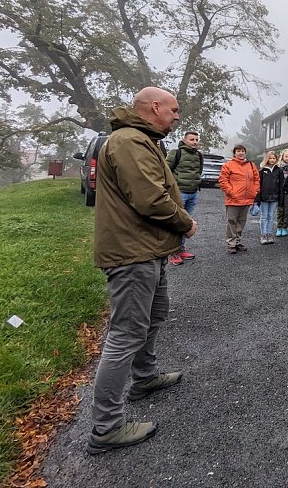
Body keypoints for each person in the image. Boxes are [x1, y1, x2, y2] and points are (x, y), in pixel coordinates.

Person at [88, 86, 196, 454]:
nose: (177, 116)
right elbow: (150, 198)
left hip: (147, 249)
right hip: (133, 253)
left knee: (154, 316)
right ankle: (106, 427)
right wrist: (185, 223)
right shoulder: (129, 142)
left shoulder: (140, 139)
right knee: (125, 334)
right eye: (174, 109)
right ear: (155, 107)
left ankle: (145, 378)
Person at [166, 130, 203, 265]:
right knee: (176, 222)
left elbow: (198, 171)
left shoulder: (199, 155)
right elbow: (166, 171)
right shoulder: (176, 153)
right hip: (179, 193)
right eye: (192, 139)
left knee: (186, 223)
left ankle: (181, 250)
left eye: (196, 140)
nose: (194, 142)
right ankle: (173, 253)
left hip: (193, 193)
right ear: (185, 140)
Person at [219, 145, 260, 254]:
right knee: (232, 221)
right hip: (233, 199)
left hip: (246, 200)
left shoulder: (251, 165)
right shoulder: (228, 165)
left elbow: (256, 179)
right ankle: (231, 244)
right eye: (238, 151)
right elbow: (223, 181)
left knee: (241, 222)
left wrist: (255, 191)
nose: (241, 153)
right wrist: (232, 192)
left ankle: (237, 242)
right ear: (234, 153)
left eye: (242, 151)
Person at [255, 150, 284, 245]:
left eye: (274, 158)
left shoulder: (279, 170)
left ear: (276, 159)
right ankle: (263, 234)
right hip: (264, 197)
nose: (272, 160)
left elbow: (281, 186)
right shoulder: (262, 170)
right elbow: (258, 186)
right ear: (267, 159)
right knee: (264, 216)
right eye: (270, 158)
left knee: (271, 216)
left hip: (275, 197)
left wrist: (281, 199)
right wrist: (257, 199)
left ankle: (269, 233)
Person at [275, 148, 288, 237]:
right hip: (280, 191)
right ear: (282, 157)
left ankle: (284, 227)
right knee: (280, 210)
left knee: (287, 210)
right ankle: (279, 227)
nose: (287, 158)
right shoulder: (278, 167)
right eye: (286, 156)